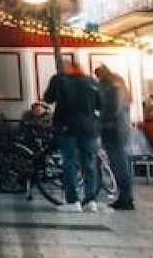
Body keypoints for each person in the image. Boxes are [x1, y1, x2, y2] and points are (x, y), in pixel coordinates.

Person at [42, 57, 103, 211]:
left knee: (69, 163)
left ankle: (73, 201)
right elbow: (100, 104)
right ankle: (91, 201)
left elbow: (48, 99)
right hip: (89, 128)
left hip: (67, 127)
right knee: (89, 164)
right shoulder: (91, 81)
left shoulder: (59, 80)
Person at [91, 65, 135, 211]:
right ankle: (125, 197)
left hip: (113, 129)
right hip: (119, 129)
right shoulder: (118, 83)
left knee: (119, 164)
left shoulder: (111, 86)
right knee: (120, 163)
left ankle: (126, 198)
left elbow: (112, 107)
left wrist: (101, 116)